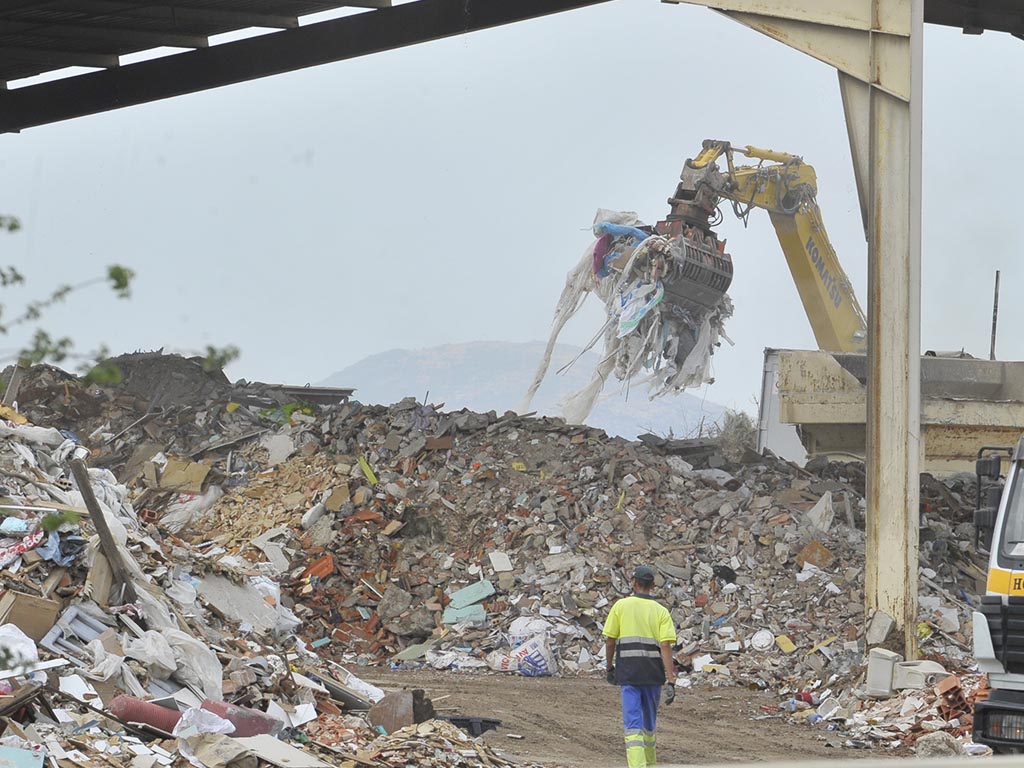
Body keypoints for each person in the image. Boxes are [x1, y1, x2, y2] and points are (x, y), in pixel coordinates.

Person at [603, 565, 677, 768]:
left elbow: (610, 641)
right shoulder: (661, 611)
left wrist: (609, 668)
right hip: (653, 674)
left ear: (634, 583)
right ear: (653, 586)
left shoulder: (620, 606)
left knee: (632, 723)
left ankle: (637, 765)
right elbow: (665, 646)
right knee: (649, 724)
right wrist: (671, 680)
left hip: (629, 672)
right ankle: (650, 763)